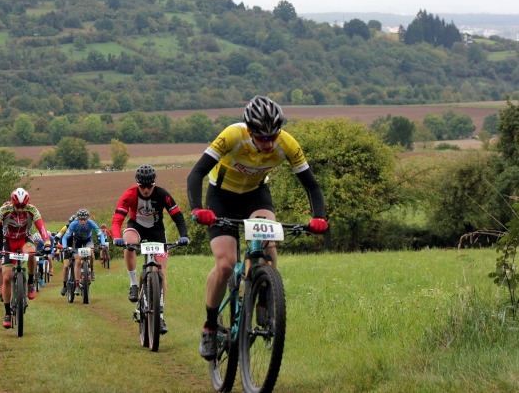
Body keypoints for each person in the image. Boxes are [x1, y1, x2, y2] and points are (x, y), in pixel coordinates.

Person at [186, 95, 329, 360]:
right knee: (226, 263)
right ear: (249, 131)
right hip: (221, 197)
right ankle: (209, 326)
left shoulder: (286, 143)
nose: (269, 143)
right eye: (262, 138)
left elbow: (312, 185)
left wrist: (319, 217)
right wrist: (197, 209)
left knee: (268, 245)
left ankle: (264, 297)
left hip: (255, 195)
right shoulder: (232, 135)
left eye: (273, 136)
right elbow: (196, 173)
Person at [111, 164, 189, 334]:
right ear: (137, 184)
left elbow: (178, 217)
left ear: (154, 184)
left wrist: (184, 235)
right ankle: (133, 284)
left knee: (161, 272)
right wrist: (116, 237)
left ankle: (160, 316)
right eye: (142, 186)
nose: (146, 190)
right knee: (129, 243)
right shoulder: (129, 194)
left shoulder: (162, 194)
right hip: (136, 226)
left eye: (149, 186)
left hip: (156, 231)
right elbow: (117, 220)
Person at [0, 188, 52, 329]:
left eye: (23, 207)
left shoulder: (32, 209)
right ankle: (8, 313)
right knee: (7, 277)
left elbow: (42, 228)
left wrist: (47, 242)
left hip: (24, 239)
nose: (21, 210)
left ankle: (30, 282)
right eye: (18, 207)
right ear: (12, 202)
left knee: (32, 252)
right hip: (8, 241)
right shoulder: (4, 209)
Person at [60, 208, 106, 295]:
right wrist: (65, 247)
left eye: (84, 219)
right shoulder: (73, 224)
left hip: (88, 240)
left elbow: (100, 234)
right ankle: (77, 285)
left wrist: (102, 244)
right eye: (81, 219)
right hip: (77, 241)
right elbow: (65, 237)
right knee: (77, 260)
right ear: (78, 219)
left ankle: (91, 271)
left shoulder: (91, 223)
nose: (82, 222)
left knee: (91, 252)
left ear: (87, 219)